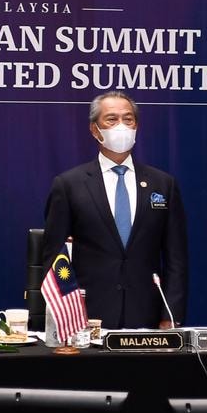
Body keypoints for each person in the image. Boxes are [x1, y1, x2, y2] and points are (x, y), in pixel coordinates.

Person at [41, 92, 188, 329]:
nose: (121, 125)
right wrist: (67, 314)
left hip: (148, 317)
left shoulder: (163, 184)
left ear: (137, 126)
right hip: (86, 318)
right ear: (94, 129)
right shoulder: (69, 184)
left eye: (128, 119)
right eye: (111, 119)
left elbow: (176, 258)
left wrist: (170, 315)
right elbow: (54, 256)